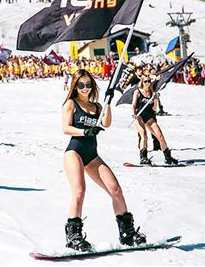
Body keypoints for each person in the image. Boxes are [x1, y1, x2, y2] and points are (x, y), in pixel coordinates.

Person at [62, 69, 146, 251]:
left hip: (92, 155)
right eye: (81, 85)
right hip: (74, 152)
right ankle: (73, 236)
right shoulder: (71, 103)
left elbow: (106, 123)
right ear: (75, 86)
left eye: (88, 84)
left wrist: (108, 100)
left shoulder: (97, 107)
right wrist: (85, 131)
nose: (85, 88)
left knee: (115, 189)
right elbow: (66, 128)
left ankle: (127, 234)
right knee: (79, 191)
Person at [132, 75, 178, 166]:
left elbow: (154, 109)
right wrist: (134, 114)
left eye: (149, 81)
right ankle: (143, 157)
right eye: (145, 81)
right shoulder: (137, 92)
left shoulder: (152, 93)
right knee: (144, 135)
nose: (147, 83)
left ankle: (167, 157)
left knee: (160, 136)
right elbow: (133, 105)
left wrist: (156, 100)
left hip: (149, 117)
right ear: (142, 82)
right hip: (139, 117)